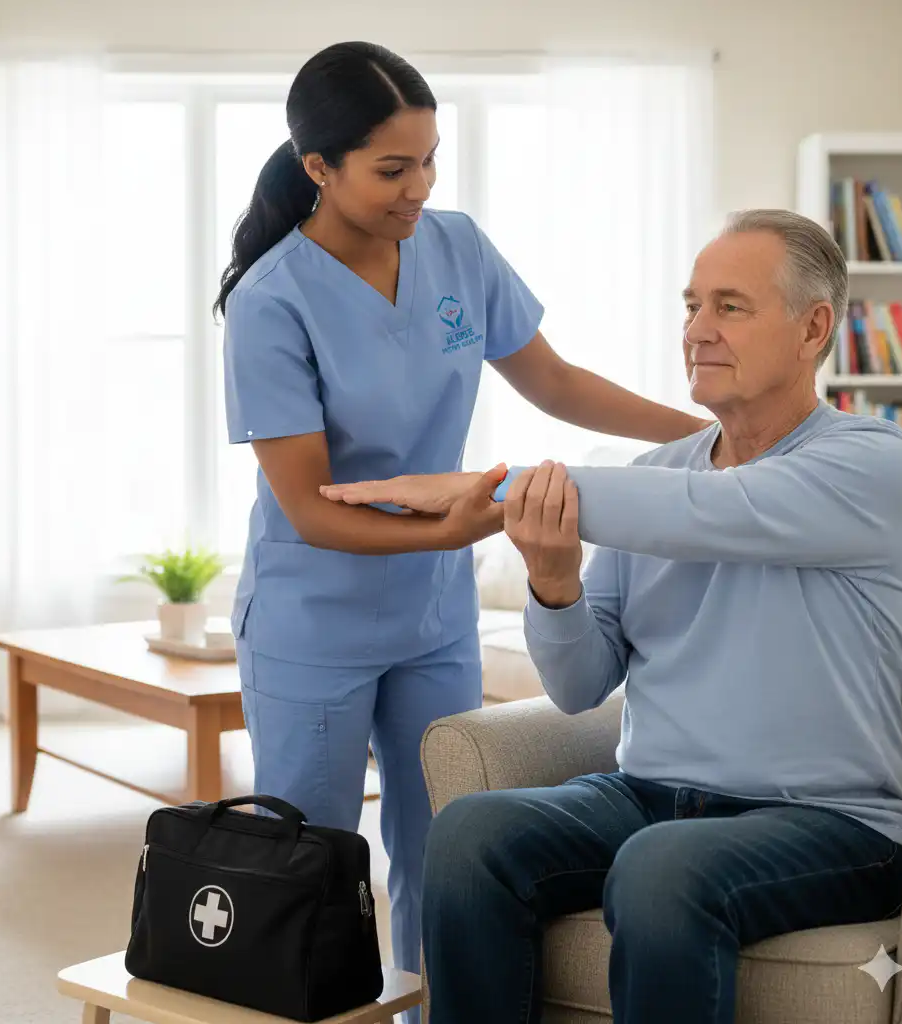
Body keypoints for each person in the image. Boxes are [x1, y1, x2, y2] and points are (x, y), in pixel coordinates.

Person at [319, 209, 902, 1024]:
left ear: (813, 328)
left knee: (661, 867)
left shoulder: (871, 463)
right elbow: (578, 686)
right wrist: (553, 581)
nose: (698, 331)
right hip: (649, 793)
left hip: (832, 823)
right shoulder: (651, 476)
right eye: (691, 306)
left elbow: (714, 513)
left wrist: (494, 487)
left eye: (731, 307)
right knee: (468, 838)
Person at [217, 39, 709, 997]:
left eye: (430, 159)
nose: (419, 186)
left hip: (431, 619)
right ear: (318, 167)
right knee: (313, 859)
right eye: (392, 168)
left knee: (441, 846)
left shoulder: (458, 246)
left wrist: (705, 436)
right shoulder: (271, 302)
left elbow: (556, 383)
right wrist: (450, 532)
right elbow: (312, 510)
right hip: (312, 618)